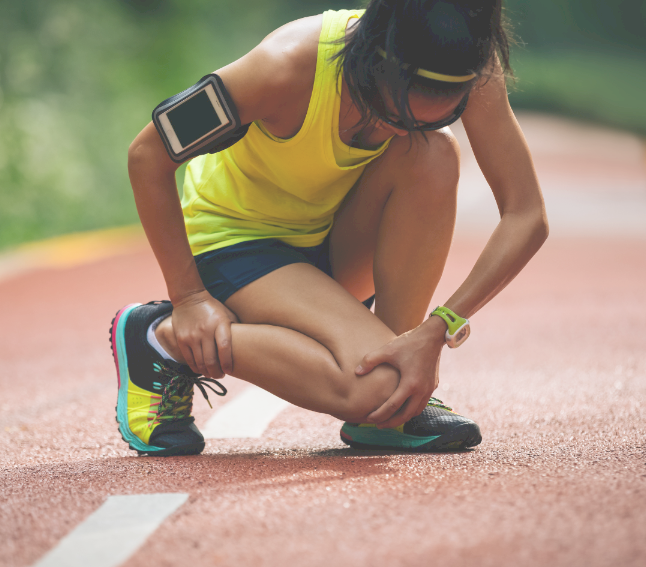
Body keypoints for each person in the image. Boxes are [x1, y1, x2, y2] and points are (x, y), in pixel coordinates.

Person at [111, 0, 548, 456]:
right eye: (393, 113)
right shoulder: (281, 68)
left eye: (436, 115)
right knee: (380, 388)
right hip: (235, 242)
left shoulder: (463, 60)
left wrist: (434, 330)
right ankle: (160, 338)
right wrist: (190, 298)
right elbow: (147, 155)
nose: (400, 133)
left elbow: (526, 213)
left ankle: (391, 395)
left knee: (433, 152)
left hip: (328, 240)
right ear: (372, 60)